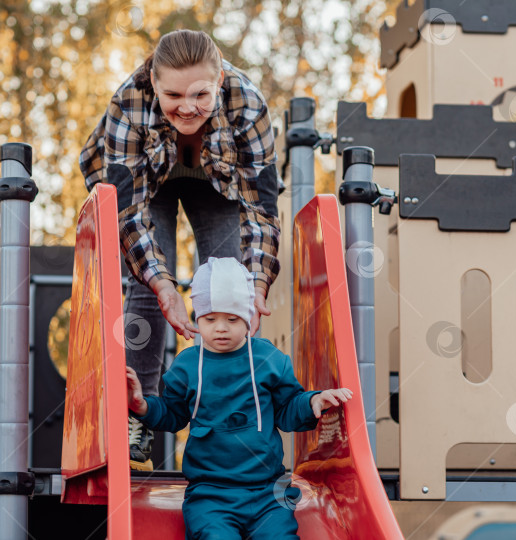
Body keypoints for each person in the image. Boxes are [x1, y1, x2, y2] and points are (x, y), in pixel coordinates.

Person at [81, 29, 282, 470]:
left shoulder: (248, 106)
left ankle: (237, 417)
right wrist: (162, 284)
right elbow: (129, 213)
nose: (186, 106)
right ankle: (138, 416)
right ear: (154, 82)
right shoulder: (129, 104)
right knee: (150, 286)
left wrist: (258, 283)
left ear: (220, 81)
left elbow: (262, 209)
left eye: (200, 94)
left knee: (233, 280)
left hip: (218, 183)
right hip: (144, 184)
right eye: (172, 94)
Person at [126, 257, 353, 539]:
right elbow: (173, 414)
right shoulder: (187, 365)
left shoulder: (268, 359)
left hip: (268, 491)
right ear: (198, 317)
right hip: (210, 493)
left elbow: (286, 410)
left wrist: (313, 401)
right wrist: (142, 405)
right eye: (210, 319)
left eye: (232, 319)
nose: (220, 328)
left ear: (248, 317)